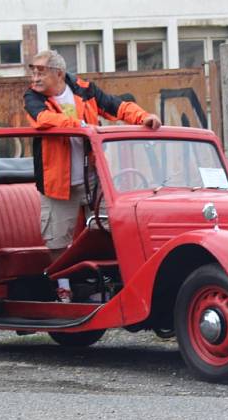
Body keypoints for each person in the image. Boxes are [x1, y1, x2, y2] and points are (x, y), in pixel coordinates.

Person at [23, 50, 161, 264]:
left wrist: (145, 117)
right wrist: (82, 127)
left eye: (41, 73)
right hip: (57, 184)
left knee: (111, 228)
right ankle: (63, 287)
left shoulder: (86, 90)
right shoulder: (32, 97)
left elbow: (118, 107)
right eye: (33, 74)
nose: (35, 79)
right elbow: (42, 119)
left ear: (58, 73)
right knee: (57, 240)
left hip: (93, 179)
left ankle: (107, 280)